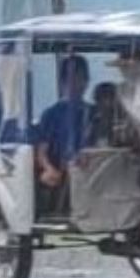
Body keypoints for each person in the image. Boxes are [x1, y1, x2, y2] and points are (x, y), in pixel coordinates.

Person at [34, 54, 91, 210]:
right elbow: (42, 150)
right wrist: (48, 168)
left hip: (90, 167)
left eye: (82, 79)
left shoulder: (92, 112)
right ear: (64, 82)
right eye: (73, 79)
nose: (78, 84)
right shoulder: (52, 114)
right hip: (62, 167)